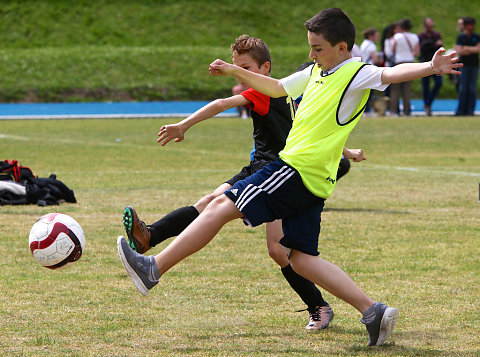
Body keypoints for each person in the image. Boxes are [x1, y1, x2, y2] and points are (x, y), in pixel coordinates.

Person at [117, 8, 461, 347]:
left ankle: (153, 269)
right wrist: (234, 69)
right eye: (310, 46)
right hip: (315, 180)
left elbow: (391, 74)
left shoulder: (356, 72)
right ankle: (373, 311)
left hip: (294, 170)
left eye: (318, 48)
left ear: (342, 47)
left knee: (220, 206)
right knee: (300, 259)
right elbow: (278, 87)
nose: (311, 54)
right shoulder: (316, 72)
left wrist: (431, 67)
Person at [123, 34, 366, 331]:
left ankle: (318, 306)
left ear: (265, 68)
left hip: (282, 176)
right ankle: (149, 236)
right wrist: (348, 151)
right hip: (257, 169)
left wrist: (183, 125)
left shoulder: (266, 92)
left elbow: (222, 103)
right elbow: (308, 130)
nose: (241, 75)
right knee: (209, 203)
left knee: (278, 250)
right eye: (237, 67)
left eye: (246, 67)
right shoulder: (291, 92)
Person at [390, 18, 420, 116]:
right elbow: (417, 52)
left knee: (395, 88)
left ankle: (393, 111)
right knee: (407, 89)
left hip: (399, 62)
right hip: (410, 63)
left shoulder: (397, 36)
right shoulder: (415, 37)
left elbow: (393, 49)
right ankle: (406, 111)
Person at [455, 16, 480, 116]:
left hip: (474, 65)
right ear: (466, 26)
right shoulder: (461, 37)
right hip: (464, 66)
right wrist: (472, 49)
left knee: (472, 89)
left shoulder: (477, 36)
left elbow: (478, 50)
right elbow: (459, 51)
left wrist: (466, 48)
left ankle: (470, 111)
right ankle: (461, 111)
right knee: (463, 89)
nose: (472, 26)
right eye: (470, 25)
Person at [418, 18, 443, 116]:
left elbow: (440, 47)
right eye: (428, 26)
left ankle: (428, 103)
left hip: (436, 63)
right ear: (424, 26)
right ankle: (427, 107)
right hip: (425, 62)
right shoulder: (421, 36)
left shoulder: (436, 34)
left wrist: (430, 45)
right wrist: (433, 44)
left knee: (438, 83)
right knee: (425, 86)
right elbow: (422, 48)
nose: (430, 28)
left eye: (431, 25)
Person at [360, 27, 383, 115]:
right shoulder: (372, 46)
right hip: (370, 69)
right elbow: (376, 60)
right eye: (376, 36)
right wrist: (380, 59)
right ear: (371, 36)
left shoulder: (364, 43)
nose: (377, 38)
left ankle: (364, 110)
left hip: (363, 68)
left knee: (365, 91)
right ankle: (367, 110)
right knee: (370, 91)